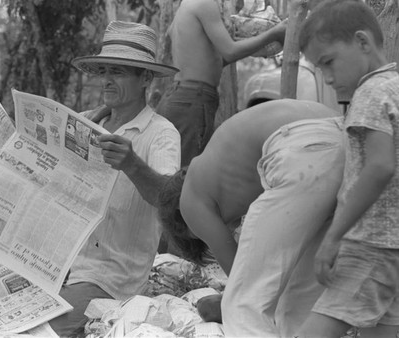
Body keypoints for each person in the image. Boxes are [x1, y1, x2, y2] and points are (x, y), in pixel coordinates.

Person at [0, 21, 181, 337]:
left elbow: (170, 200)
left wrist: (133, 165)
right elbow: (28, 165)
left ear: (146, 78)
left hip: (110, 277)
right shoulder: (83, 123)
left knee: (35, 332)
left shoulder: (160, 133)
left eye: (119, 72)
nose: (107, 80)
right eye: (104, 71)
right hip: (54, 265)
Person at [158, 99, 345, 337]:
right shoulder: (225, 170)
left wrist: (217, 303)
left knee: (243, 305)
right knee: (300, 299)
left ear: (186, 227)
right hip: (342, 130)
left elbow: (244, 280)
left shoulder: (190, 203)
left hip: (303, 145)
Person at [295, 1, 399, 337]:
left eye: (328, 62)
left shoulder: (370, 92)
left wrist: (334, 235)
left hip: (370, 242)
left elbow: (379, 167)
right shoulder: (395, 87)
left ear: (363, 42)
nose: (326, 77)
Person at [155, 0, 287, 167]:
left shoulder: (187, 6)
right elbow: (230, 51)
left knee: (177, 171)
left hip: (183, 97)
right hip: (191, 100)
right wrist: (274, 33)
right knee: (182, 178)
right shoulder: (204, 3)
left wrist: (256, 46)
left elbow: (213, 61)